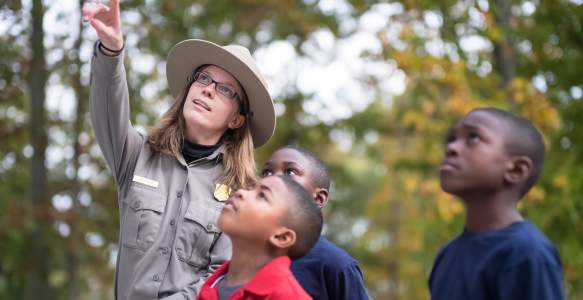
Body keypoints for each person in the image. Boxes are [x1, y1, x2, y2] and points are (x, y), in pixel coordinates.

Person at [82, 0, 276, 299]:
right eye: (204, 78)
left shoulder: (242, 193)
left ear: (237, 119)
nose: (208, 89)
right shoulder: (138, 156)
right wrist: (111, 49)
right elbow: (108, 108)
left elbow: (223, 277)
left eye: (225, 89)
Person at [429, 107, 565, 300]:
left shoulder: (526, 252)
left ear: (516, 170)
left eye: (473, 137)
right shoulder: (448, 254)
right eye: (452, 138)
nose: (451, 148)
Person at [261, 145, 369, 300]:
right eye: (267, 172)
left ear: (318, 198)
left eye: (290, 171)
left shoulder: (336, 264)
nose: (272, 178)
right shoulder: (247, 253)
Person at [197, 175, 323, 299]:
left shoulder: (288, 296)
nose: (240, 192)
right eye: (250, 188)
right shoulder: (214, 283)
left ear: (282, 237)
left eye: (262, 195)